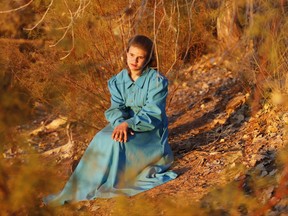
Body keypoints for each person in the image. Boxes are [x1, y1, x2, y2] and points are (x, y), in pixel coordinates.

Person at [43, 35, 177, 206]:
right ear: (126, 53)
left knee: (116, 142)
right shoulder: (118, 80)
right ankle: (80, 188)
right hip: (122, 124)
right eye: (131, 55)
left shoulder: (157, 81)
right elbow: (115, 108)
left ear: (149, 58)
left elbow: (154, 113)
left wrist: (128, 124)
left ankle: (111, 181)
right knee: (100, 137)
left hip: (149, 131)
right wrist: (120, 122)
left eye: (140, 57)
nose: (134, 61)